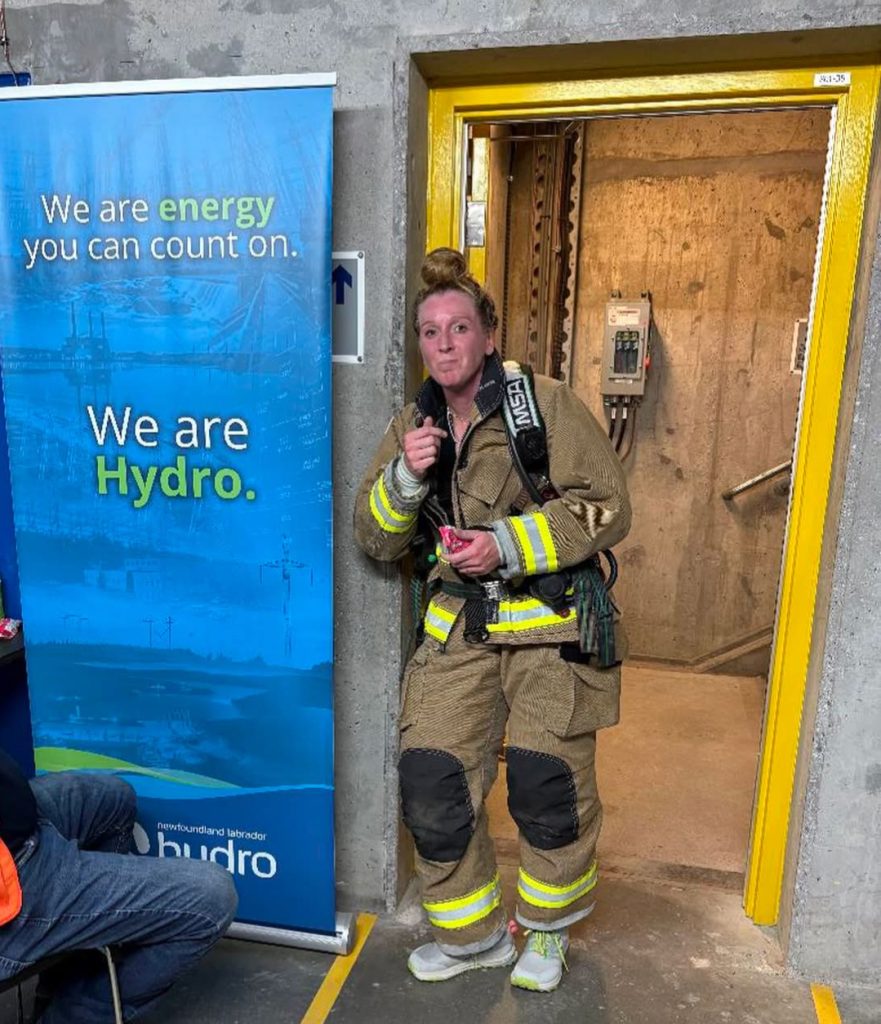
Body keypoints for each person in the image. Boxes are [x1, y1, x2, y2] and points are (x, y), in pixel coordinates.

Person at [354, 248, 631, 992]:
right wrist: (406, 477)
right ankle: (473, 936)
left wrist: (505, 544)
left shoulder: (540, 406)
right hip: (460, 631)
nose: (443, 344)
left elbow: (606, 507)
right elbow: (374, 539)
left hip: (549, 624)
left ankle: (545, 933)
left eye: (458, 328)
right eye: (429, 331)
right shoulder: (412, 423)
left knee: (546, 786)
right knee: (432, 779)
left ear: (486, 335)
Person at [0, 746, 238, 1022]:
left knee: (113, 798)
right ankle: (73, 1015)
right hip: (12, 884)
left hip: (17, 831)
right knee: (212, 898)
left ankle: (65, 983)